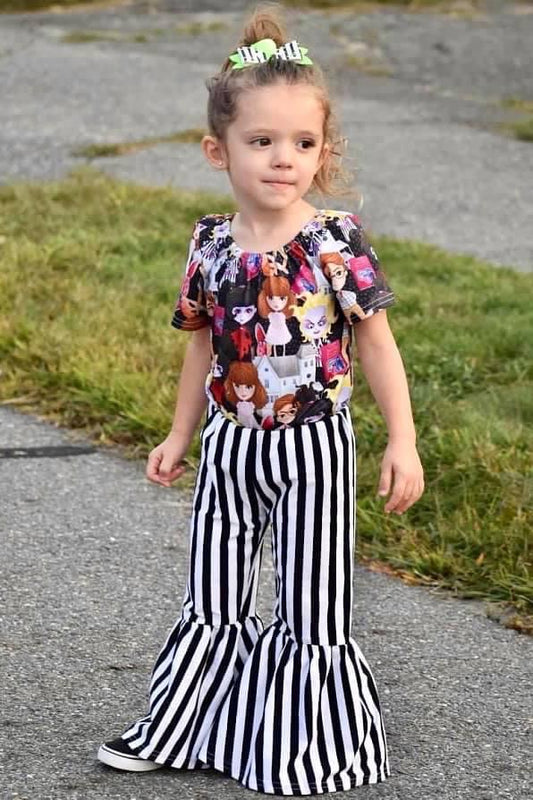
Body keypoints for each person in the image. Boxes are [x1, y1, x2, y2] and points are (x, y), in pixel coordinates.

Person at [96, 3, 424, 795]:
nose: (284, 158)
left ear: (322, 150)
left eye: (303, 143)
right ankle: (183, 731)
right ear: (218, 150)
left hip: (312, 446)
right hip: (230, 442)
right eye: (262, 141)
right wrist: (181, 434)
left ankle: (306, 747)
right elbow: (201, 343)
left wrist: (400, 441)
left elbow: (376, 343)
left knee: (311, 603)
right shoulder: (210, 243)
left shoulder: (335, 242)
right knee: (212, 593)